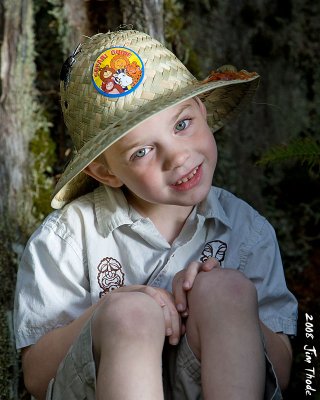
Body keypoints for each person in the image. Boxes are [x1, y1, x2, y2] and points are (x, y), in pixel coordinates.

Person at [14, 29, 298, 400]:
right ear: (105, 172)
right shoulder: (66, 238)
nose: (177, 157)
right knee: (131, 312)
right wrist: (107, 310)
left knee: (225, 289)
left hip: (213, 377)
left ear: (202, 110)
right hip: (103, 385)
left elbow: (285, 370)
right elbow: (36, 376)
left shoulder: (247, 230)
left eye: (182, 125)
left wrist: (221, 306)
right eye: (142, 151)